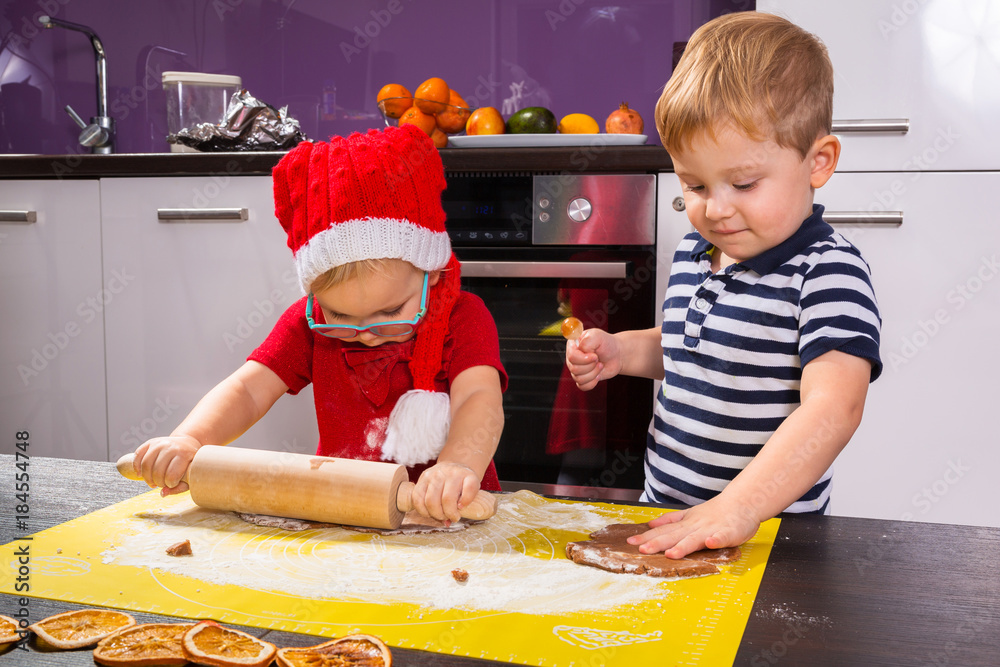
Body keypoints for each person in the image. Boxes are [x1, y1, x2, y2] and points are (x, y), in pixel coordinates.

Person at [566, 11, 882, 558]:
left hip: (770, 537)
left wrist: (739, 507)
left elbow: (833, 410)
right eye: (693, 184)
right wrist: (623, 351)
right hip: (666, 516)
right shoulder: (698, 251)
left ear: (818, 161)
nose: (714, 208)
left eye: (742, 183)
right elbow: (692, 350)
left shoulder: (827, 272)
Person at [131, 125, 507, 524]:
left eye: (392, 310)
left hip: (453, 519)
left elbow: (477, 399)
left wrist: (458, 465)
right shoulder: (306, 324)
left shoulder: (463, 318)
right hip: (345, 513)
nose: (366, 331)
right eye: (340, 316)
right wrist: (190, 439)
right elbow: (247, 390)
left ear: (429, 274)